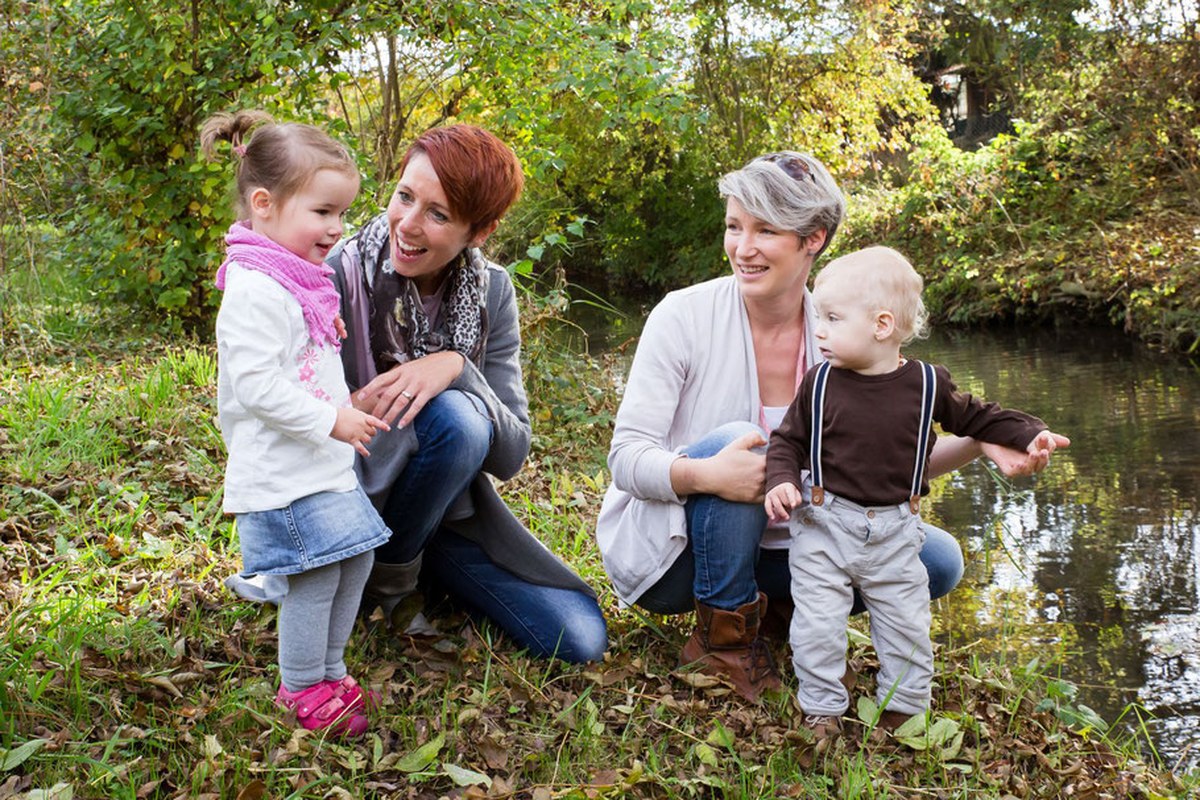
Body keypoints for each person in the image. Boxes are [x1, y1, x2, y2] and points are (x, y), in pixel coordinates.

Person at [596, 151, 1069, 702]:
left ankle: (781, 614)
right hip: (677, 553)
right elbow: (625, 458)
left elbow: (887, 456)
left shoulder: (843, 329)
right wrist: (705, 476)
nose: (742, 248)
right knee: (736, 441)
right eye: (734, 226)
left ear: (813, 238)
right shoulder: (682, 316)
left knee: (937, 561)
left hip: (798, 543)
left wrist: (982, 441)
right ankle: (722, 642)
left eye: (766, 230)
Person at [327, 123, 607, 663]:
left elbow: (512, 452)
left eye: (438, 214)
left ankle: (410, 565)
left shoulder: (493, 291)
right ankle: (390, 589)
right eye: (404, 196)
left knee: (579, 640)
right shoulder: (335, 274)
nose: (407, 225)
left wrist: (454, 366)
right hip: (349, 505)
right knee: (457, 419)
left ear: (478, 231)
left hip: (440, 516)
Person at [763, 246, 1064, 738]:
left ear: (882, 325)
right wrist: (779, 480)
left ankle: (902, 709)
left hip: (896, 531)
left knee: (906, 627)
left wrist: (1026, 432)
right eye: (820, 317)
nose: (819, 330)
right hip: (823, 523)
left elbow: (980, 417)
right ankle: (821, 709)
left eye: (833, 319)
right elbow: (788, 441)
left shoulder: (927, 384)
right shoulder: (818, 383)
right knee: (818, 624)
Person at [202, 110, 390, 737]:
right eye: (323, 212)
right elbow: (255, 386)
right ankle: (302, 685)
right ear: (264, 204)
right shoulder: (254, 287)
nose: (336, 229)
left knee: (354, 560)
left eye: (341, 214)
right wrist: (330, 420)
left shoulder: (297, 281)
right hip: (284, 474)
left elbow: (307, 362)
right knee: (314, 577)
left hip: (320, 466)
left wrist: (339, 414)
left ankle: (330, 668)